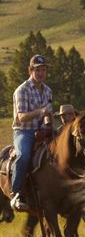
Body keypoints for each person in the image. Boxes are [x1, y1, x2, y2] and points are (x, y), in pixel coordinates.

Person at [10, 54, 53, 212]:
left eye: (43, 70)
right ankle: (16, 193)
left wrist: (50, 126)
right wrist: (40, 111)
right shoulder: (22, 90)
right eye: (37, 70)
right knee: (24, 155)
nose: (41, 73)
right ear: (30, 70)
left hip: (42, 129)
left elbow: (48, 113)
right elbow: (21, 117)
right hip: (24, 131)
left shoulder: (48, 90)